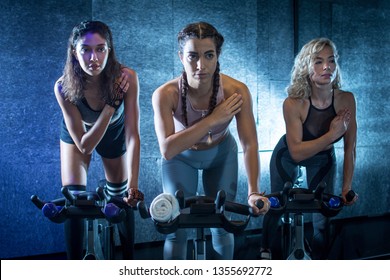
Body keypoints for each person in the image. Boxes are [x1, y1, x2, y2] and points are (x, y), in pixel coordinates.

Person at [152, 21, 270, 260]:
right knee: (176, 227)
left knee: (221, 223)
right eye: (192, 56)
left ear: (218, 56)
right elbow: (168, 149)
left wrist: (254, 192)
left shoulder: (236, 90)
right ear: (181, 57)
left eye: (208, 55)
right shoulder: (165, 94)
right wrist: (213, 119)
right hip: (180, 158)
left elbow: (250, 144)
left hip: (221, 155)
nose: (200, 66)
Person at [260, 38, 358, 260]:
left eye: (331, 61)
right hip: (288, 156)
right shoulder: (293, 103)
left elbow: (350, 148)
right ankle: (265, 252)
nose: (327, 67)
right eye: (318, 61)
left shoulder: (347, 100)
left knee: (324, 213)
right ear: (306, 66)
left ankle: (320, 261)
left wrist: (346, 187)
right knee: (278, 205)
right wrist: (332, 134)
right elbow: (296, 152)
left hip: (322, 158)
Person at [54, 20, 143, 259]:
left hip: (113, 134)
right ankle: (74, 264)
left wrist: (133, 185)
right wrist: (110, 106)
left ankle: (128, 262)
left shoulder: (127, 77)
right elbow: (85, 145)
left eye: (100, 49)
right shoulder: (63, 87)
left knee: (121, 198)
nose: (94, 57)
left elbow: (133, 134)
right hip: (80, 136)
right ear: (75, 51)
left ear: (109, 50)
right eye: (86, 49)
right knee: (73, 199)